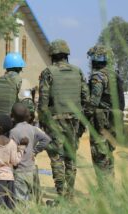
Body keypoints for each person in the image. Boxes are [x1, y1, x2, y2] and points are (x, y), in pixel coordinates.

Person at [38, 39, 89, 201]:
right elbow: (86, 100)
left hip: (55, 121)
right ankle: (70, 193)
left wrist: (43, 123)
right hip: (74, 122)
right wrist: (82, 124)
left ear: (52, 55)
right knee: (70, 156)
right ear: (66, 55)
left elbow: (43, 102)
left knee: (56, 157)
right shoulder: (78, 71)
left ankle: (60, 192)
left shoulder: (48, 72)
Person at [86, 45, 123, 188]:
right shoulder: (115, 75)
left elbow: (94, 101)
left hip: (101, 123)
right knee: (108, 155)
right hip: (113, 122)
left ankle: (104, 191)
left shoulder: (98, 76)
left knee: (99, 157)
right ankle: (110, 189)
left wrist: (84, 118)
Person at [9, 103, 51, 202]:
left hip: (19, 171)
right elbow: (47, 140)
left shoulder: (13, 132)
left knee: (21, 200)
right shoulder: (33, 129)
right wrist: (34, 151)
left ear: (13, 117)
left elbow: (11, 151)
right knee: (33, 196)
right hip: (31, 170)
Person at [0, 52, 24, 117]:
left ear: (6, 67)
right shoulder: (20, 81)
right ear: (20, 68)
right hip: (11, 120)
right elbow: (26, 105)